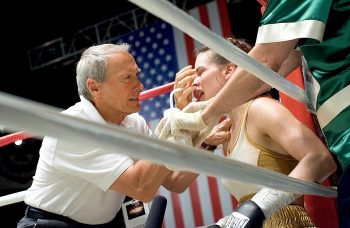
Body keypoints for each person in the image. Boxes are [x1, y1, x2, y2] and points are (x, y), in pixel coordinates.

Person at [164, 1, 350, 226]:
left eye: (201, 72)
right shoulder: (227, 130)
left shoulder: (260, 108)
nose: (194, 81)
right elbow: (175, 182)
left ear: (229, 70)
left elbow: (321, 160)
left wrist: (202, 117)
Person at [17, 43, 199, 228]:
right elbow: (141, 187)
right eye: (127, 78)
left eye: (136, 75)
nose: (140, 85)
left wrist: (204, 142)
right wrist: (176, 119)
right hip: (50, 224)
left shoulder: (134, 123)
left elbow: (175, 181)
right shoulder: (72, 129)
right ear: (94, 87)